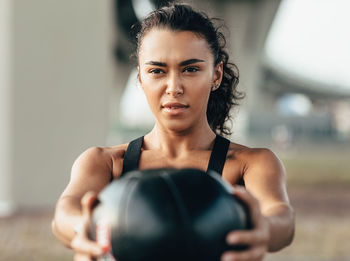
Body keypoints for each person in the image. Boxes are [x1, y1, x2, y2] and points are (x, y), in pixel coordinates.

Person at [52, 3, 295, 261]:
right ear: (140, 78)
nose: (174, 87)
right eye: (157, 71)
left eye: (190, 69)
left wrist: (263, 228)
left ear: (216, 74)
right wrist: (86, 228)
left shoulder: (251, 164)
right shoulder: (105, 162)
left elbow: (281, 216)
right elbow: (64, 214)